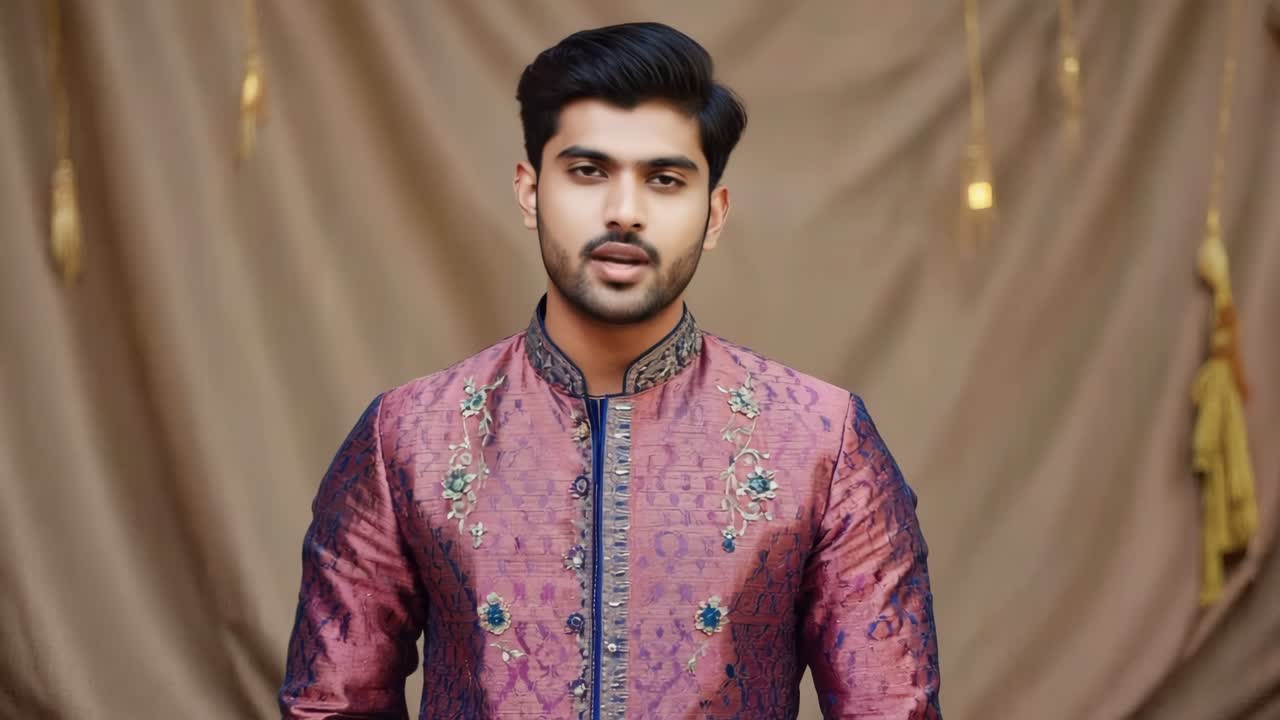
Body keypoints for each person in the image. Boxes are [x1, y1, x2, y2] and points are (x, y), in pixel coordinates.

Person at [279, 21, 941, 719]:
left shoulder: (821, 442)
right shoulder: (409, 436)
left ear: (713, 214)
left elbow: (890, 708)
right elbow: (331, 704)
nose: (624, 212)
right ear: (530, 190)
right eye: (588, 172)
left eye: (664, 179)